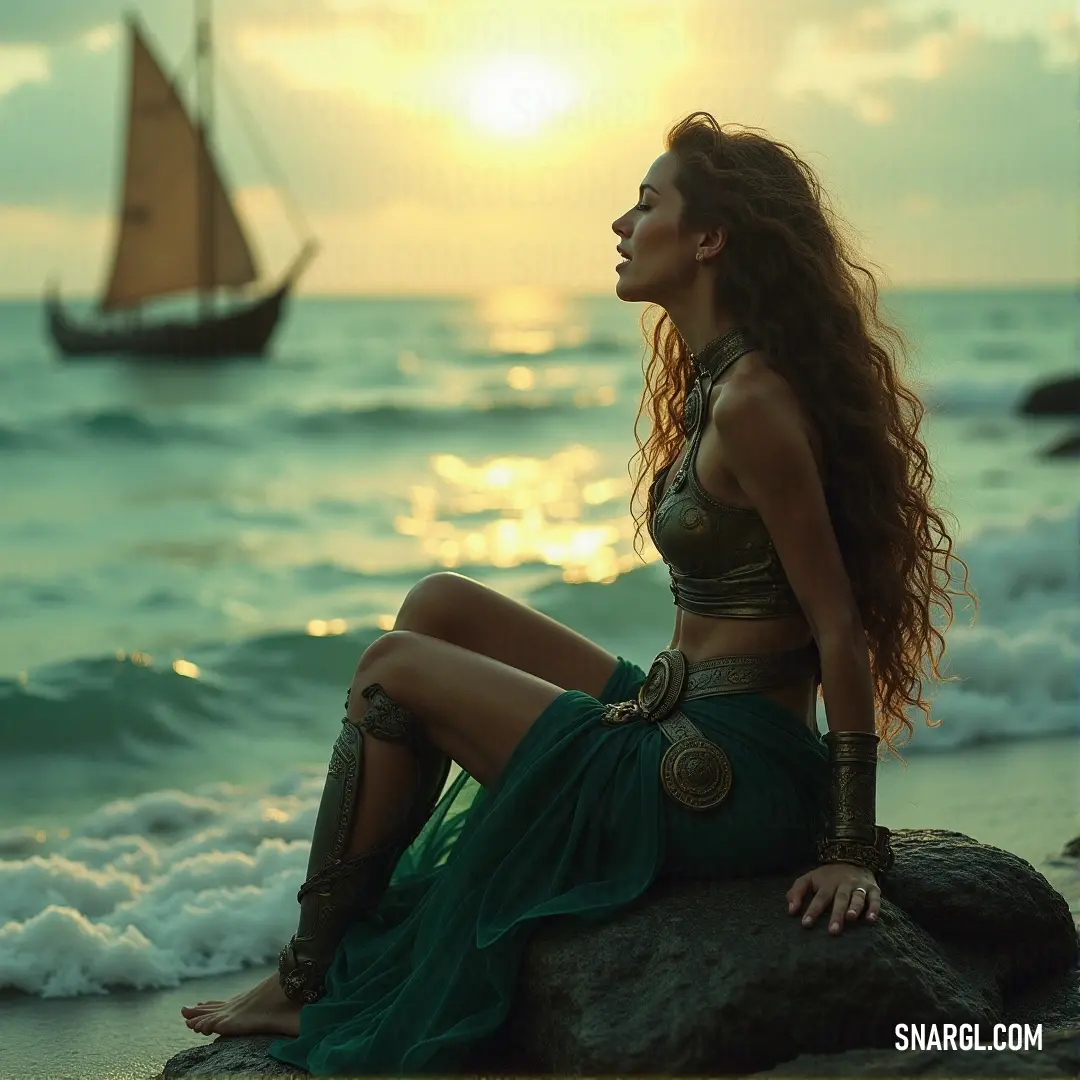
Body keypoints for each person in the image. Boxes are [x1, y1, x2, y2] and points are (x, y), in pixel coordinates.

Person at [180, 111, 972, 1074]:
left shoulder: (754, 402)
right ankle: (331, 957)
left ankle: (304, 983)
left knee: (392, 671)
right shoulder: (718, 382)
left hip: (725, 776)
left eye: (647, 204)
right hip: (684, 715)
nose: (621, 224)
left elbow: (837, 628)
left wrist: (850, 845)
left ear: (709, 239)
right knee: (439, 606)